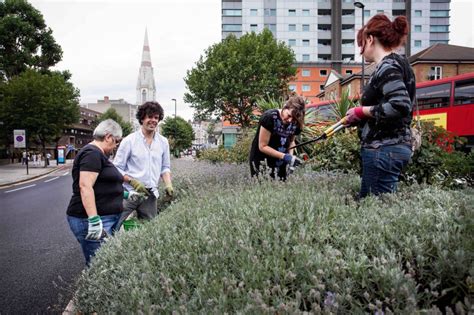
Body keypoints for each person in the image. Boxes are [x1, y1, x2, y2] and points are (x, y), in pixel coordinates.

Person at [344, 13, 415, 199]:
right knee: (379, 208)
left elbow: (400, 106)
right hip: (392, 147)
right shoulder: (401, 63)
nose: (361, 49)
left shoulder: (387, 66)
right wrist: (359, 118)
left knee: (373, 210)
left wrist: (361, 111)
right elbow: (389, 107)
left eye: (361, 44)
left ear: (370, 39)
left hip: (383, 149)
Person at [66, 119, 124, 265]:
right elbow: (85, 186)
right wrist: (93, 220)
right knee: (99, 265)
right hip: (92, 219)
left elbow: (103, 186)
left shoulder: (98, 154)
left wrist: (126, 194)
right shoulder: (92, 153)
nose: (116, 145)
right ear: (108, 137)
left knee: (106, 262)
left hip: (105, 218)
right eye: (116, 141)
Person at [114, 101, 173, 228]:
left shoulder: (163, 142)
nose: (153, 120)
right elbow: (117, 168)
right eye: (150, 117)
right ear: (142, 118)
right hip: (129, 193)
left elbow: (165, 167)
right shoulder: (129, 141)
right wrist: (132, 182)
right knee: (114, 226)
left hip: (150, 194)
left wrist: (168, 184)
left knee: (149, 230)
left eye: (156, 118)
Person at [249, 96, 306, 181]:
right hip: (261, 161)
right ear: (285, 107)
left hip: (280, 163)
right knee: (262, 189)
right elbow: (262, 146)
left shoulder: (296, 123)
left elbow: (291, 141)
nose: (290, 120)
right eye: (289, 115)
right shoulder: (270, 118)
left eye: (294, 119)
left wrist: (291, 158)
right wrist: (285, 156)